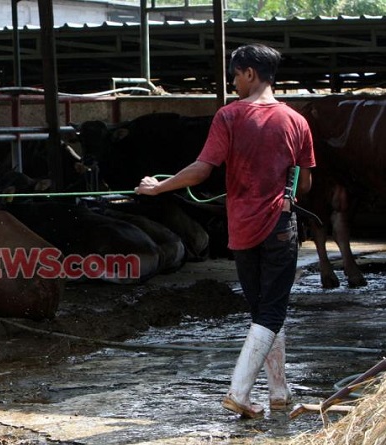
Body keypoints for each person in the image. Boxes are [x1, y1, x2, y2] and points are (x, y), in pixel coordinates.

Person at [135, 43, 315, 419]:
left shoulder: (229, 116)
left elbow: (202, 170)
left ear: (250, 73)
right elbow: (306, 183)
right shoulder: (296, 121)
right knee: (272, 310)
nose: (233, 82)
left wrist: (158, 187)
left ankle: (279, 392)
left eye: (235, 75)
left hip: (243, 228)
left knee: (263, 310)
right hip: (280, 226)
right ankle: (239, 391)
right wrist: (282, 187)